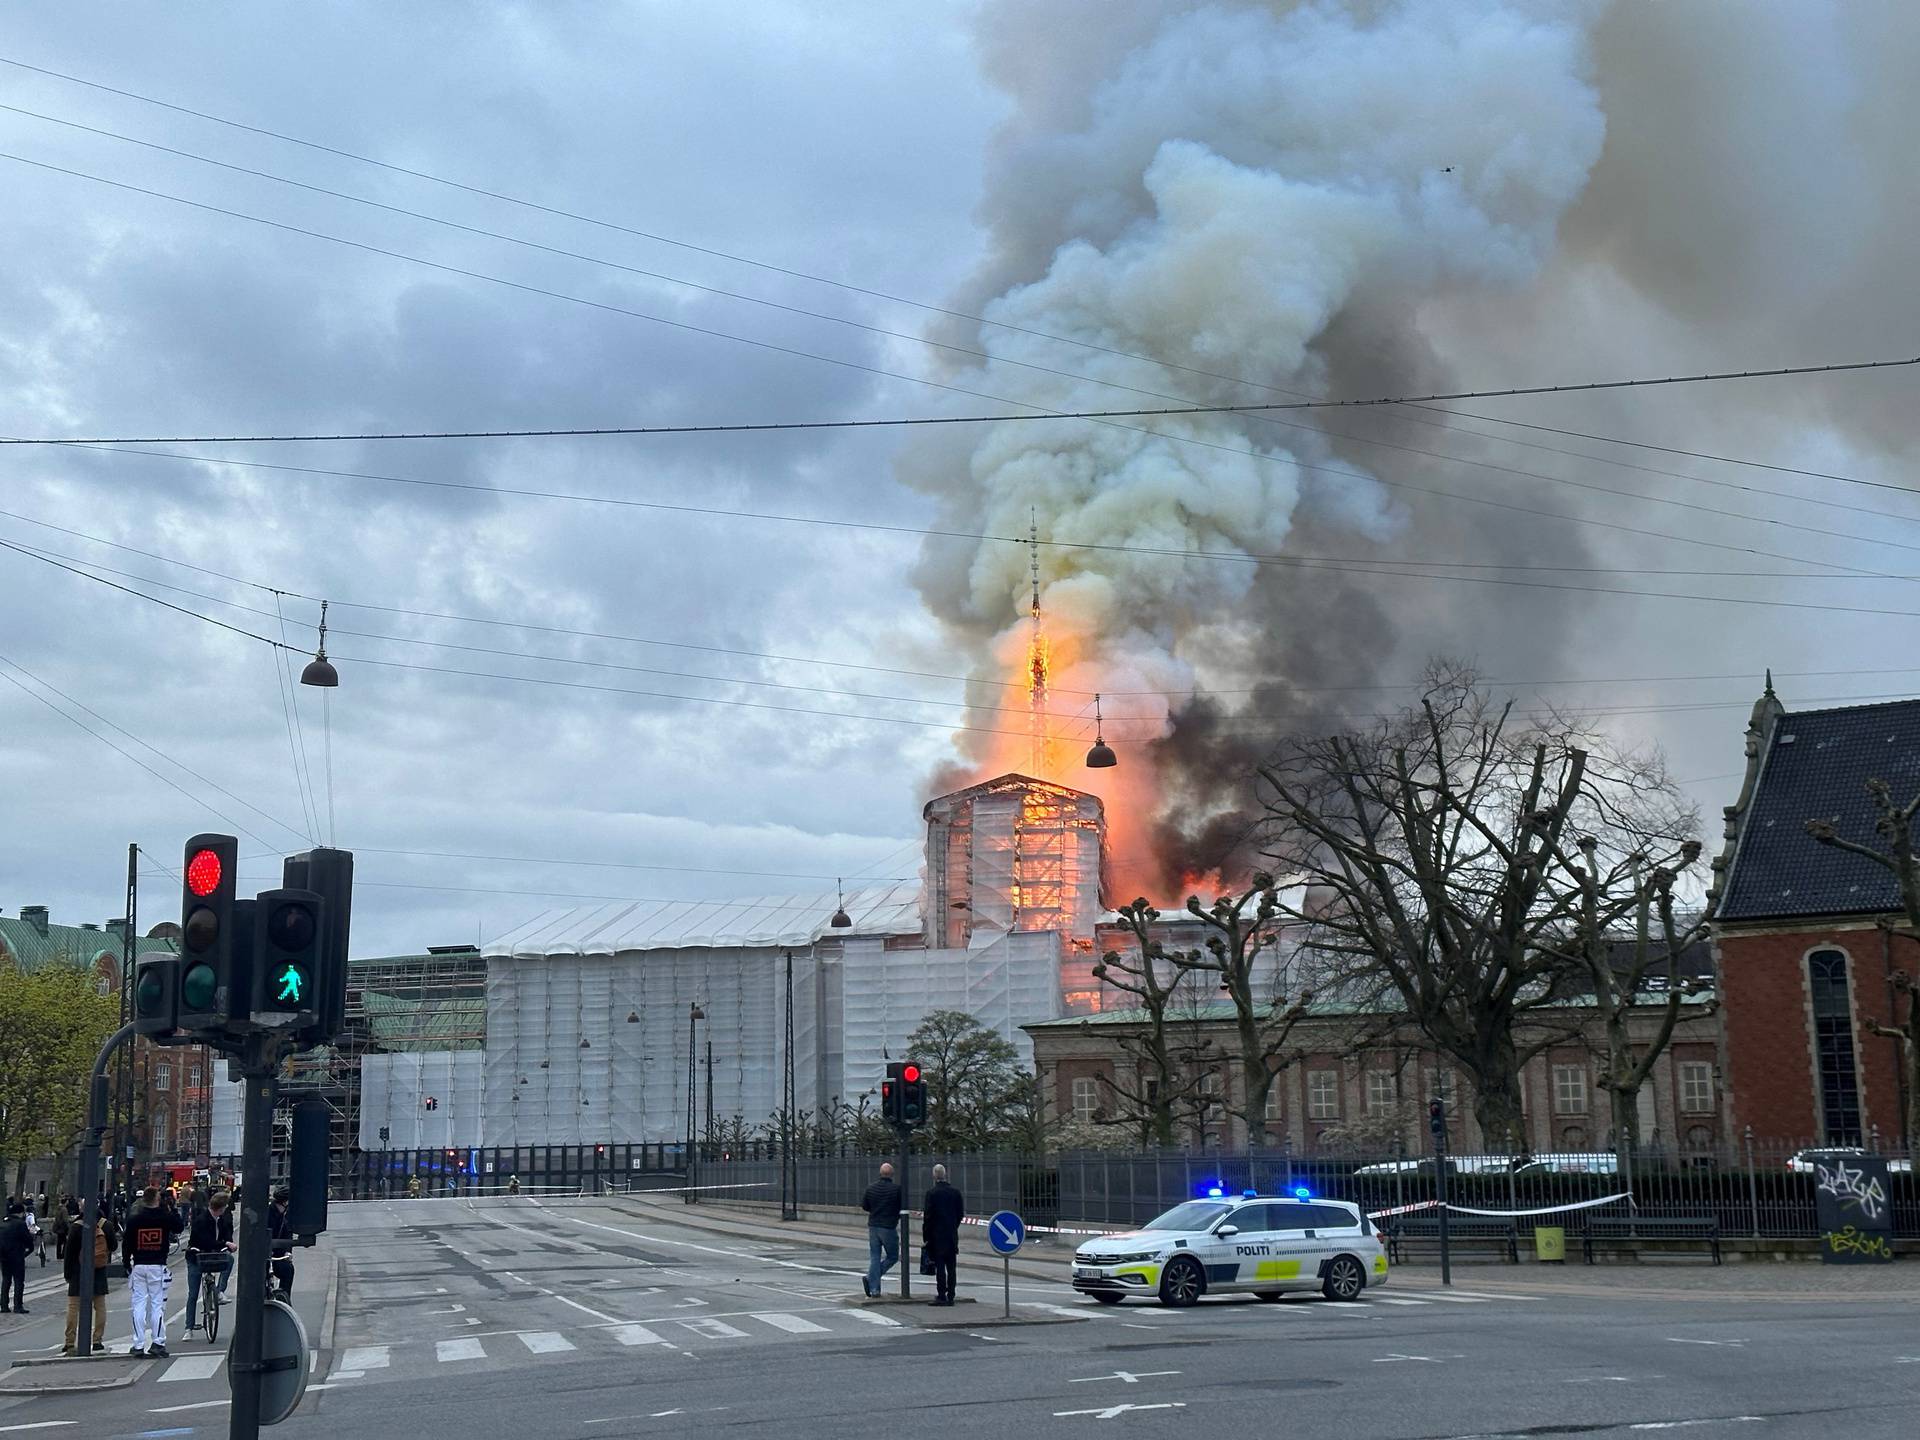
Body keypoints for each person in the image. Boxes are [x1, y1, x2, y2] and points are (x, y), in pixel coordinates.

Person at [123, 1185, 184, 1357]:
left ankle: (138, 1343)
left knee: (138, 1305)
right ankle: (158, 1341)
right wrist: (172, 1208)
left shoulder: (135, 1219)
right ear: (158, 1199)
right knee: (157, 1304)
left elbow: (127, 1243)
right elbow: (179, 1227)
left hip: (140, 1264)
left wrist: (127, 1263)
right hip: (158, 1264)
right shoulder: (164, 1217)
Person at [61, 1211, 118, 1355]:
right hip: (98, 1271)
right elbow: (113, 1246)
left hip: (77, 1271)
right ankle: (97, 1340)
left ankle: (69, 1342)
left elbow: (69, 1253)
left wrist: (67, 1274)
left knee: (73, 1307)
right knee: (100, 1306)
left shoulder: (76, 1227)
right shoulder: (106, 1225)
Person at [183, 1191, 235, 1335]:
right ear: (221, 1207)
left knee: (229, 1259)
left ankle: (219, 1291)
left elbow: (227, 1233)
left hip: (213, 1253)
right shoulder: (201, 1220)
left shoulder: (222, 1219)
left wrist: (227, 1243)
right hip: (197, 1256)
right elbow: (204, 1241)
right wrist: (225, 1243)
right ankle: (189, 1327)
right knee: (193, 1293)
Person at [922, 1164, 965, 1306]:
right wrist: (953, 1226)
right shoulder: (955, 1193)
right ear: (945, 1175)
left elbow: (928, 1217)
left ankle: (941, 1295)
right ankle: (951, 1295)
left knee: (940, 1266)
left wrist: (926, 1237)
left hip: (937, 1236)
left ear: (934, 1176)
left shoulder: (932, 1193)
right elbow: (960, 1214)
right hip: (951, 1235)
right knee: (951, 1267)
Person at [859, 1161, 902, 1298]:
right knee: (893, 1256)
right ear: (892, 1174)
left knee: (875, 1257)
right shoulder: (896, 1189)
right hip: (888, 1226)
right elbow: (900, 1206)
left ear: (880, 1173)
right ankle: (871, 1279)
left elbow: (865, 1206)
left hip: (873, 1225)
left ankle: (874, 1289)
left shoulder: (871, 1188)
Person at [0, 1200, 30, 1313]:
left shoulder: (3, 1222)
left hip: (4, 1256)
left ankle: (4, 1305)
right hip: (17, 1256)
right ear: (20, 1213)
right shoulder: (20, 1224)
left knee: (6, 1280)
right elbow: (27, 1239)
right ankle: (18, 1306)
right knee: (18, 1281)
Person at [267, 1188, 295, 1298]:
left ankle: (285, 1297)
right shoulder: (268, 1214)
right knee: (261, 1275)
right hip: (265, 1252)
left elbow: (288, 1234)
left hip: (279, 1252)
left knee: (288, 1269)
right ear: (285, 1202)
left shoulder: (286, 1214)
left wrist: (287, 1252)